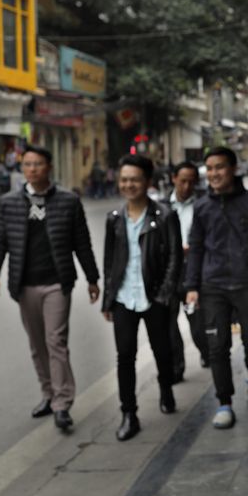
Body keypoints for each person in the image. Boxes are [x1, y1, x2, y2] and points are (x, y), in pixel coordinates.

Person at [0, 145, 100, 431]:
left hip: (57, 283)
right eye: (27, 164)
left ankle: (62, 403)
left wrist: (92, 278)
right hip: (25, 285)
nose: (32, 169)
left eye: (38, 164)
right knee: (38, 345)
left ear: (49, 167)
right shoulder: (9, 202)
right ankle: (48, 394)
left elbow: (81, 243)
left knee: (55, 341)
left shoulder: (68, 201)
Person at [184, 146, 248, 429]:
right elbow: (196, 248)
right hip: (213, 286)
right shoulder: (201, 206)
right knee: (217, 347)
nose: (214, 174)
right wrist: (192, 286)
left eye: (219, 167)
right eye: (209, 169)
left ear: (234, 169)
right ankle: (224, 402)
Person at [102, 155, 183, 441]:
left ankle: (166, 388)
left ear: (147, 182)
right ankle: (129, 413)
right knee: (125, 356)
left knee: (162, 350)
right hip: (124, 298)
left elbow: (175, 258)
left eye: (134, 179)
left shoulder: (164, 216)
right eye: (124, 179)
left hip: (154, 297)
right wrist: (107, 301)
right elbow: (110, 262)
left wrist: (165, 295)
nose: (128, 185)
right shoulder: (114, 220)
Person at [167, 161, 210, 380]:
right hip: (169, 273)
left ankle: (206, 352)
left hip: (194, 271)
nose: (186, 186)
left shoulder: (203, 205)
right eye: (182, 181)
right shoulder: (164, 207)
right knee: (169, 324)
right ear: (174, 178)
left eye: (191, 182)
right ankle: (177, 367)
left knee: (197, 322)